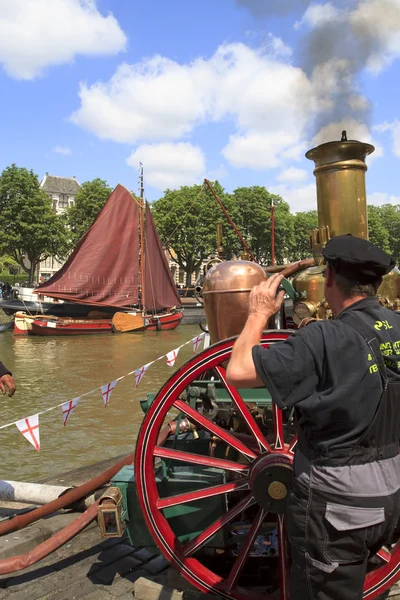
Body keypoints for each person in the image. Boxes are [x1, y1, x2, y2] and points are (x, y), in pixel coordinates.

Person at [226, 234, 400, 600]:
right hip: (391, 502)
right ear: (378, 283)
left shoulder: (323, 337)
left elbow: (239, 371)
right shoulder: (397, 326)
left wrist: (258, 314)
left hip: (336, 512)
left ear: (330, 278)